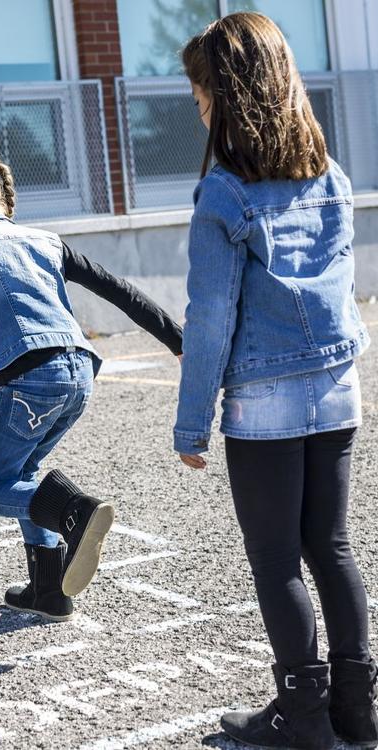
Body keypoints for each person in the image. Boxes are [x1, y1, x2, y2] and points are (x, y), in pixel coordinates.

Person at [174, 12, 376, 750]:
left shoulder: (224, 196)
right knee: (333, 546)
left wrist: (192, 423)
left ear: (229, 95)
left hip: (266, 400)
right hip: (338, 385)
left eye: (200, 96)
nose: (196, 109)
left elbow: (209, 320)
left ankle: (303, 716)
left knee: (276, 560)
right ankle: (359, 709)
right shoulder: (334, 177)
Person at [0, 161, 183, 622]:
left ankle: (75, 511)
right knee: (25, 471)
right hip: (80, 374)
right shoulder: (48, 241)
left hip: (31, 378)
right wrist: (177, 341)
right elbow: (120, 291)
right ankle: (49, 591)